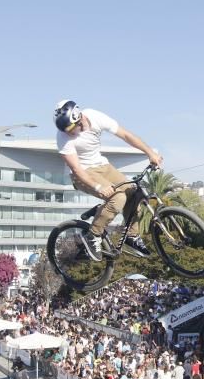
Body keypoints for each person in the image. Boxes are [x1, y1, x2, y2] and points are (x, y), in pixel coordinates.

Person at [54, 99, 163, 261]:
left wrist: (149, 152)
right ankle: (92, 235)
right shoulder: (63, 138)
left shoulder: (95, 117)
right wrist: (98, 187)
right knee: (118, 197)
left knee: (134, 192)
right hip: (83, 174)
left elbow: (126, 135)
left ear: (79, 117)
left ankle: (131, 236)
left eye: (71, 128)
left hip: (103, 166)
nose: (69, 132)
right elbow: (77, 169)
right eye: (66, 130)